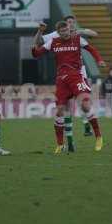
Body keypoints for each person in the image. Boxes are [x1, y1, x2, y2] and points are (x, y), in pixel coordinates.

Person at [32, 21, 106, 153]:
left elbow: (92, 49)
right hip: (61, 80)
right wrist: (33, 48)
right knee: (60, 111)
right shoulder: (53, 42)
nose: (65, 33)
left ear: (69, 29)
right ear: (58, 33)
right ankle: (60, 144)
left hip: (76, 76)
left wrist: (99, 60)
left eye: (66, 30)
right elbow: (37, 54)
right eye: (62, 31)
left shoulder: (77, 39)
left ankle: (98, 136)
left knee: (85, 105)